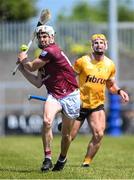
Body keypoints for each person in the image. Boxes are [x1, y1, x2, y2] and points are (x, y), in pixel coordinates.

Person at [58, 33, 129, 167]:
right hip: (79, 104)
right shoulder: (82, 61)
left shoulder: (110, 65)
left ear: (106, 46)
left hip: (97, 105)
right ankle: (62, 158)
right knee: (69, 137)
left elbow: (110, 85)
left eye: (101, 42)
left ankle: (87, 162)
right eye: (96, 43)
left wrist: (119, 91)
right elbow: (69, 78)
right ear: (92, 46)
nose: (99, 45)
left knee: (99, 134)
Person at [17, 24, 80, 172]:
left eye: (45, 36)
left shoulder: (52, 51)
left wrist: (23, 59)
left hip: (71, 95)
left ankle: (62, 158)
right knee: (46, 121)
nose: (42, 39)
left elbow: (31, 66)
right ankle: (47, 158)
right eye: (40, 37)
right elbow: (38, 82)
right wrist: (21, 69)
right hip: (54, 95)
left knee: (66, 135)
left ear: (52, 37)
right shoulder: (43, 57)